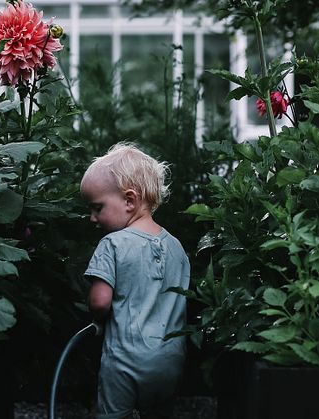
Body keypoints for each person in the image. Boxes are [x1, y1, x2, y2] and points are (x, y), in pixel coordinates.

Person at [81, 143, 190, 419]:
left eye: (97, 208)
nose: (92, 218)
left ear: (130, 201)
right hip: (171, 360)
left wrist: (96, 318)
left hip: (124, 362)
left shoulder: (112, 244)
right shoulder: (176, 247)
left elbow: (100, 301)